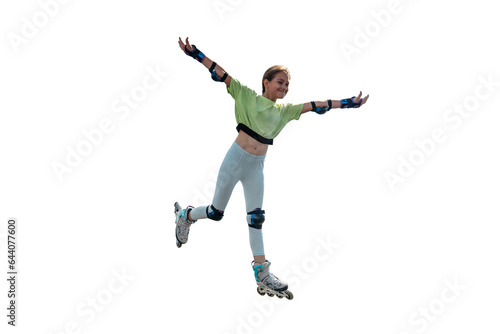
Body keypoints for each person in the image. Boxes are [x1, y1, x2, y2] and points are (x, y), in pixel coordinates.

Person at [174, 37, 369, 298]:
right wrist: (195, 53)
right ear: (266, 82)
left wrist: (348, 103)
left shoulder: (285, 111)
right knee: (216, 212)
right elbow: (221, 73)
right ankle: (185, 216)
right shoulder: (245, 95)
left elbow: (318, 105)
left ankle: (262, 271)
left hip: (256, 167)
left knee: (256, 218)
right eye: (280, 82)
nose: (285, 88)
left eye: (287, 84)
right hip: (234, 160)